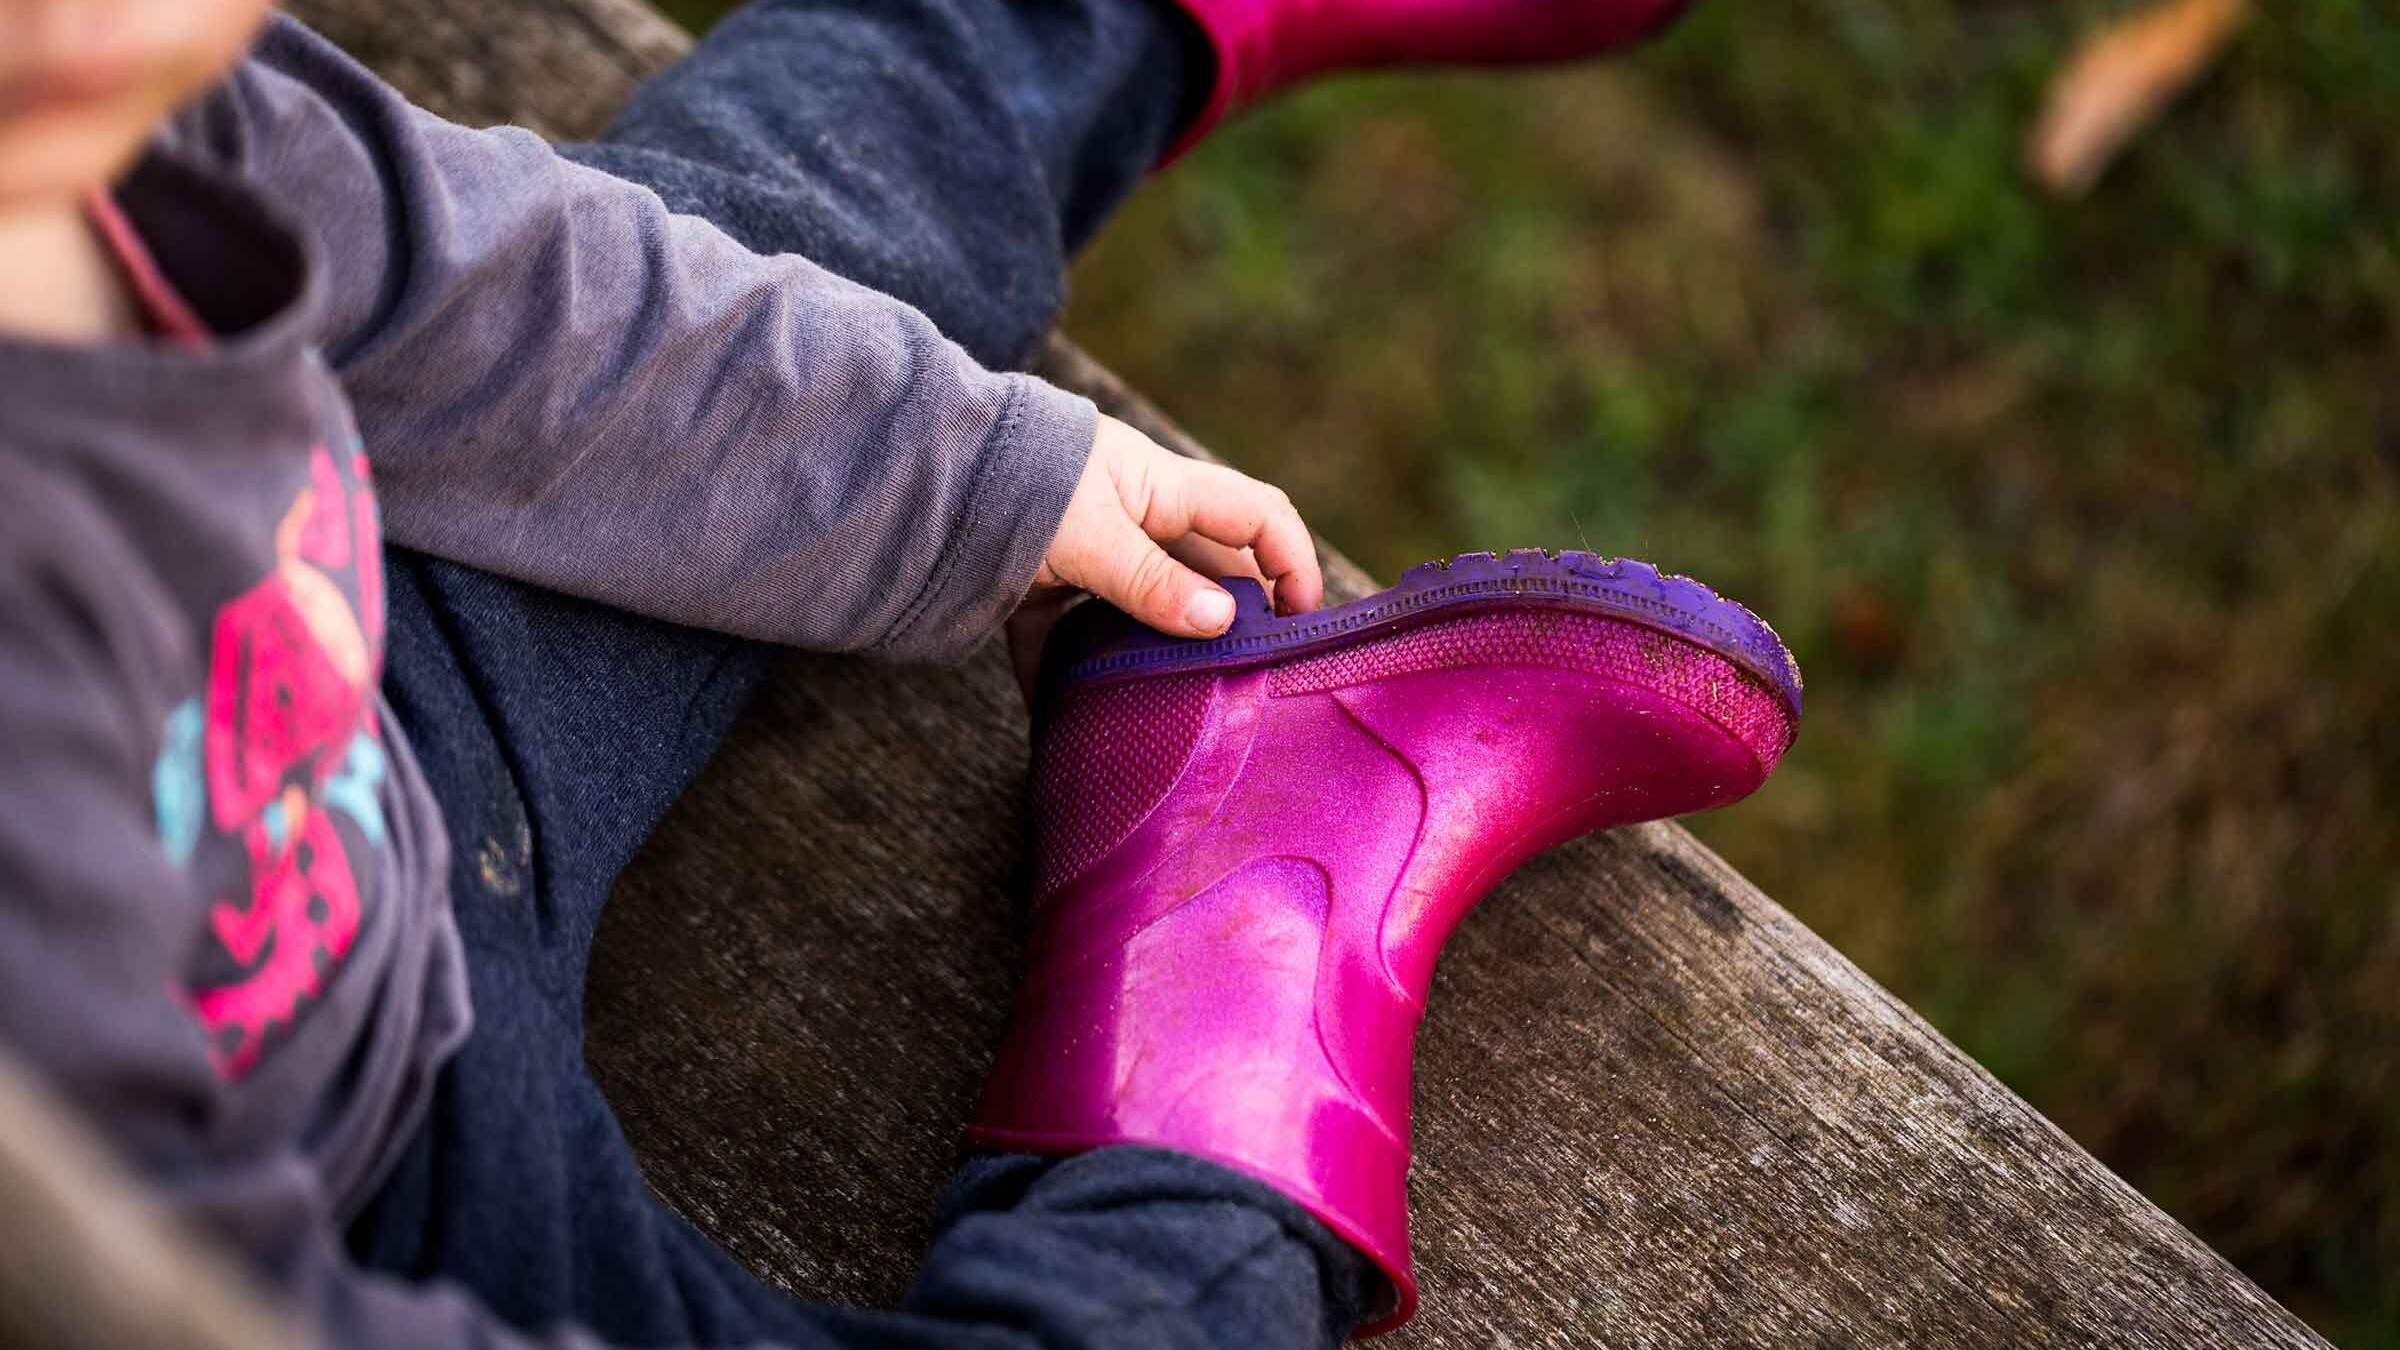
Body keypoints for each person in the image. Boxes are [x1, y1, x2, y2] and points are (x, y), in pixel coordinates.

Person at [0, 3, 1787, 1350]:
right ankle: (1249, 924)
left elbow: (477, 290)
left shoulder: (90, 105)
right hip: (365, 1201)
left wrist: (993, 480)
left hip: (351, 729)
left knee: (796, 230)